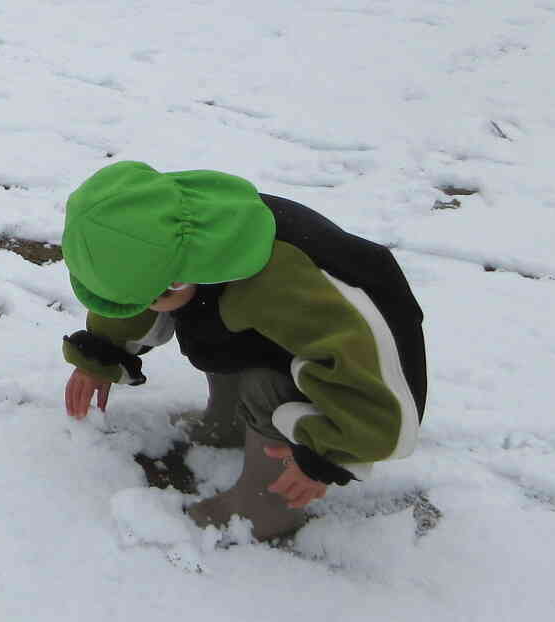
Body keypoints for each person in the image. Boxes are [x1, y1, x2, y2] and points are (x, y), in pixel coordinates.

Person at [58, 161, 427, 541]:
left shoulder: (286, 283)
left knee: (267, 386)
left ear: (174, 280)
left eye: (150, 297)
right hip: (278, 330)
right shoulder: (167, 239)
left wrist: (328, 456)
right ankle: (230, 423)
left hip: (362, 362)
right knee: (214, 331)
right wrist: (101, 353)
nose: (142, 307)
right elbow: (134, 294)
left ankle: (267, 505)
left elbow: (367, 370)